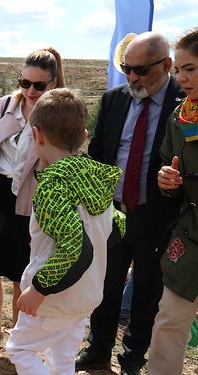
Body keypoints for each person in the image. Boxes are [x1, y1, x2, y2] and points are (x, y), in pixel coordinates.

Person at [78, 31, 184, 375]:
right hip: (112, 213)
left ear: (167, 65)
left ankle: (132, 361)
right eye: (127, 68)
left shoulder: (185, 105)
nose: (132, 77)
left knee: (146, 297)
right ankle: (97, 351)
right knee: (105, 289)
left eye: (140, 69)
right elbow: (98, 153)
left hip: (158, 217)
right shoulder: (113, 99)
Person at [5, 88, 124, 375]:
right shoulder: (95, 180)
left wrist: (40, 288)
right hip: (87, 294)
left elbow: (76, 247)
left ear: (38, 135)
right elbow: (118, 227)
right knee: (63, 357)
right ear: (83, 136)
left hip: (53, 297)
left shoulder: (53, 186)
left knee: (20, 350)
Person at [0, 47, 65, 351]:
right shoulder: (4, 105)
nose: (30, 91)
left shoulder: (58, 112)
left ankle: (19, 339)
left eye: (38, 85)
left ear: (53, 82)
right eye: (24, 83)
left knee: (21, 272)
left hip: (32, 197)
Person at [148, 28, 198, 375]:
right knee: (170, 317)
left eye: (191, 69)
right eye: (179, 69)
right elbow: (171, 177)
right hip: (191, 233)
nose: (181, 78)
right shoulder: (180, 119)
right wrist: (167, 182)